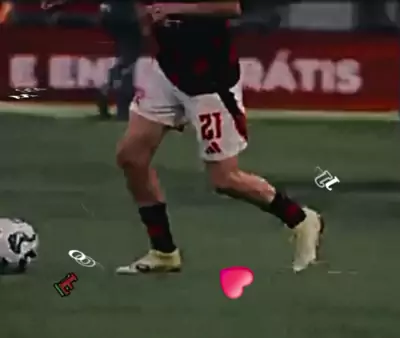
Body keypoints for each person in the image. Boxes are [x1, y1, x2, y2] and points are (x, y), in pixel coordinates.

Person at [43, 1, 325, 274]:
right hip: (168, 72)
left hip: (211, 81)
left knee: (225, 179)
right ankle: (163, 251)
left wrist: (173, 9)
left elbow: (230, 7)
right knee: (131, 157)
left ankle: (300, 219)